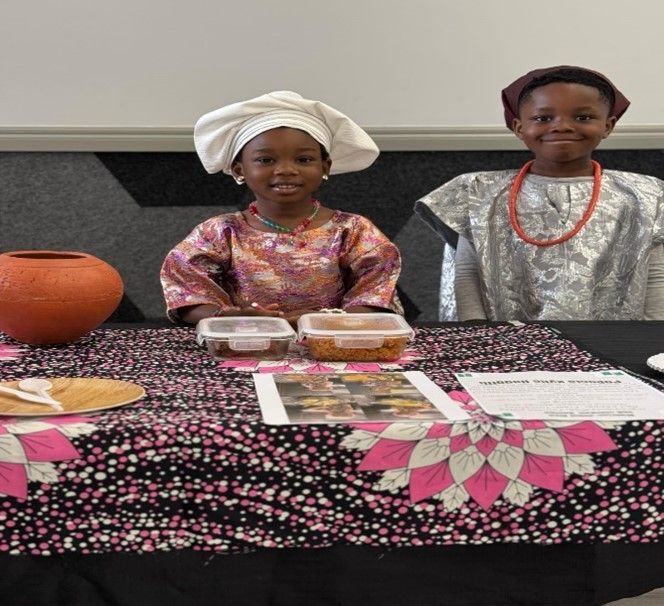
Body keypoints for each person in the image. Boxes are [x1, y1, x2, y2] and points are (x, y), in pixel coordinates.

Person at [414, 66, 664, 321]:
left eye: (583, 117)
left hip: (614, 346)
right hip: (507, 346)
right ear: (519, 127)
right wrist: (475, 336)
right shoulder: (478, 191)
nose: (562, 126)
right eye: (543, 118)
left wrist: (652, 339)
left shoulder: (646, 194)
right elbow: (467, 273)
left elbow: (656, 274)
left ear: (608, 125)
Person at [161, 90, 402, 325]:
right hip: (245, 346)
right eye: (266, 160)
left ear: (325, 167)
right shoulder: (220, 232)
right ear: (239, 170)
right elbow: (187, 289)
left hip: (332, 349)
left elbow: (376, 293)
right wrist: (227, 317)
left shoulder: (354, 230)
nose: (286, 169)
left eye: (303, 159)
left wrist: (324, 322)